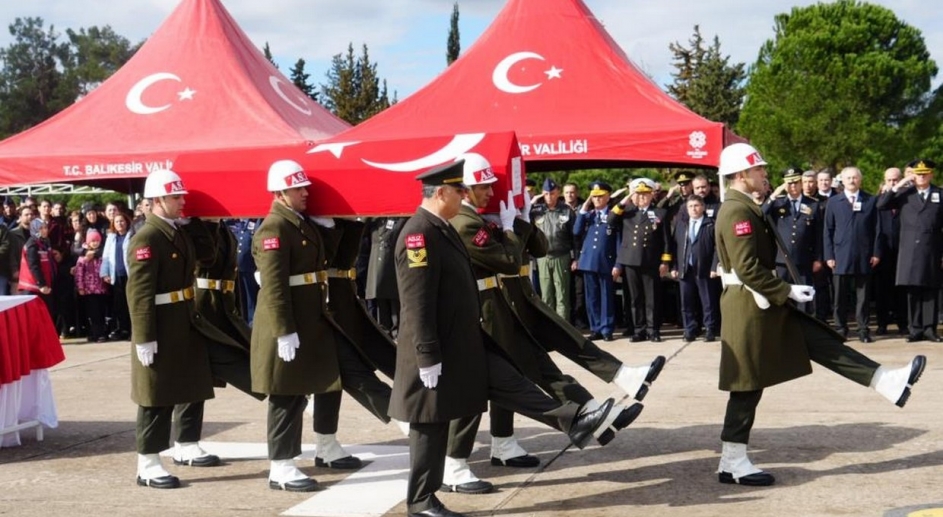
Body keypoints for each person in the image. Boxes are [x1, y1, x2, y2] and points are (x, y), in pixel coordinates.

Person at [392, 159, 616, 517]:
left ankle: (575, 421)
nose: (465, 196)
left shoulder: (441, 228)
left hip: (466, 341)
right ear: (442, 193)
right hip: (440, 349)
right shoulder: (419, 234)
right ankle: (421, 502)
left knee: (513, 383)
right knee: (428, 424)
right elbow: (417, 303)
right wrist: (427, 355)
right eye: (460, 191)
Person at [713, 142, 926, 487]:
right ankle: (732, 461)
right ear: (740, 174)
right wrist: (786, 290)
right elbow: (747, 268)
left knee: (820, 341)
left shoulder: (744, 205)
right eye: (758, 169)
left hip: (760, 302)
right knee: (747, 384)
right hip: (750, 306)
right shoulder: (736, 211)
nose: (764, 173)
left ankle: (885, 380)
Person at [448, 155, 642, 485]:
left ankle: (510, 440)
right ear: (466, 189)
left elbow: (538, 248)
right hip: (482, 314)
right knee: (486, 387)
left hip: (503, 307)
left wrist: (520, 220)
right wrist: (507, 228)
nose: (490, 193)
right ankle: (453, 460)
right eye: (484, 187)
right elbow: (509, 261)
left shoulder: (479, 218)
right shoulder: (465, 222)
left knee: (516, 376)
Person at [250, 160, 342, 492]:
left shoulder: (298, 223)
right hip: (285, 324)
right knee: (285, 394)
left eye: (304, 187)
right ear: (280, 192)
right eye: (297, 188)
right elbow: (274, 287)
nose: (305, 193)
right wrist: (284, 331)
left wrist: (328, 227)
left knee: (298, 390)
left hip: (305, 319)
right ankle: (281, 466)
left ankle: (296, 458)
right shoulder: (274, 228)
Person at [126, 169, 217, 489]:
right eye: (175, 197)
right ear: (157, 200)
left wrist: (197, 225)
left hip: (184, 318)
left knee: (191, 384)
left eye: (181, 196)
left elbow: (208, 257)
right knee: (156, 394)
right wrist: (144, 337)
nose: (182, 202)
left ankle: (187, 444)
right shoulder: (147, 238)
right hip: (161, 324)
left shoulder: (177, 231)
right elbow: (139, 293)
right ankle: (148, 464)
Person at [876, 159, 943, 342]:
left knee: (930, 290)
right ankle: (915, 329)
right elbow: (881, 205)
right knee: (912, 290)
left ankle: (929, 329)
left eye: (925, 173)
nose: (921, 177)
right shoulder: (905, 193)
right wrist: (900, 184)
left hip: (932, 248)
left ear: (931, 175)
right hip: (910, 249)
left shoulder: (939, 194)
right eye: (918, 174)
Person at [610, 178, 671, 342]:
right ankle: (639, 329)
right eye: (638, 194)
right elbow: (610, 220)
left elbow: (666, 239)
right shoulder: (628, 211)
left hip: (650, 260)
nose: (642, 197)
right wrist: (626, 198)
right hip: (631, 260)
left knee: (652, 298)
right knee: (635, 298)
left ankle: (653, 330)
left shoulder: (660, 213)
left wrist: (665, 261)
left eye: (645, 194)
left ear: (651, 195)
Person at [823, 167, 880, 342]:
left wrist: (876, 253)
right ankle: (840, 329)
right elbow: (828, 230)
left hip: (864, 254)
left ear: (860, 180)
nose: (852, 181)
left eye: (855, 178)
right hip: (840, 255)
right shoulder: (834, 201)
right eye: (848, 178)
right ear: (843, 180)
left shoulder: (871, 200)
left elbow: (877, 229)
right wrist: (829, 255)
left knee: (863, 297)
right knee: (840, 296)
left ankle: (863, 330)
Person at [764, 168, 823, 315]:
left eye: (796, 182)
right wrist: (774, 195)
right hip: (782, 260)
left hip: (804, 259)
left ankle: (803, 326)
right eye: (789, 183)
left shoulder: (813, 204)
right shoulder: (778, 203)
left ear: (801, 183)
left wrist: (818, 258)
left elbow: (818, 234)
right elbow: (761, 214)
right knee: (783, 297)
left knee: (804, 298)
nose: (793, 186)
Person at [669, 195, 719, 342]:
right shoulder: (681, 225)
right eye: (690, 206)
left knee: (708, 301)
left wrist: (714, 266)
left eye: (696, 205)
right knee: (687, 302)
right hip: (686, 268)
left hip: (704, 269)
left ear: (703, 207)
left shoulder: (711, 224)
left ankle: (710, 329)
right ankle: (689, 330)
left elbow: (717, 248)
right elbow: (675, 246)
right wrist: (674, 266)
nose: (693, 209)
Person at [574, 181, 619, 340]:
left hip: (606, 261)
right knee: (591, 298)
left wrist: (618, 264)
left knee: (606, 297)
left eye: (600, 196)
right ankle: (596, 328)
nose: (597, 199)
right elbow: (576, 231)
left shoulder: (614, 215)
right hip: (588, 261)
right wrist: (584, 207)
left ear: (608, 197)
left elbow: (618, 241)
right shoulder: (589, 215)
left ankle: (606, 329)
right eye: (594, 197)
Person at [531, 177, 575, 320]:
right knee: (546, 295)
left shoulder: (566, 210)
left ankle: (564, 327)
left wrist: (576, 257)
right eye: (546, 194)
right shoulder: (536, 210)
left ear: (558, 193)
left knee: (562, 294)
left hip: (561, 256)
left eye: (552, 193)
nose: (549, 196)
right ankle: (550, 326)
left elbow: (574, 236)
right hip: (542, 257)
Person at [873, 167, 909, 335]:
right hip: (883, 252)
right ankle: (882, 324)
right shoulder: (879, 201)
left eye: (896, 180)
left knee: (901, 291)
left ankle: (903, 323)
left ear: (901, 180)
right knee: (882, 291)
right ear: (884, 181)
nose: (893, 183)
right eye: (889, 180)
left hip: (903, 252)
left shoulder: (907, 199)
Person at [101, 211, 133, 340]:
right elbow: (106, 256)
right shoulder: (111, 237)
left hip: (129, 274)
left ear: (127, 222)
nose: (120, 224)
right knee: (120, 305)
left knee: (131, 303)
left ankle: (133, 331)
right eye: (117, 222)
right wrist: (104, 273)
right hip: (116, 275)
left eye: (122, 221)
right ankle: (124, 329)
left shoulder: (132, 236)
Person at [73, 229, 109, 342]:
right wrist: (80, 287)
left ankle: (101, 333)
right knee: (93, 313)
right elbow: (79, 273)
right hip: (89, 290)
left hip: (101, 289)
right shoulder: (83, 258)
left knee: (101, 312)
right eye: (92, 241)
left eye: (97, 241)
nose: (95, 243)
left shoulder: (102, 255)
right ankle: (95, 333)